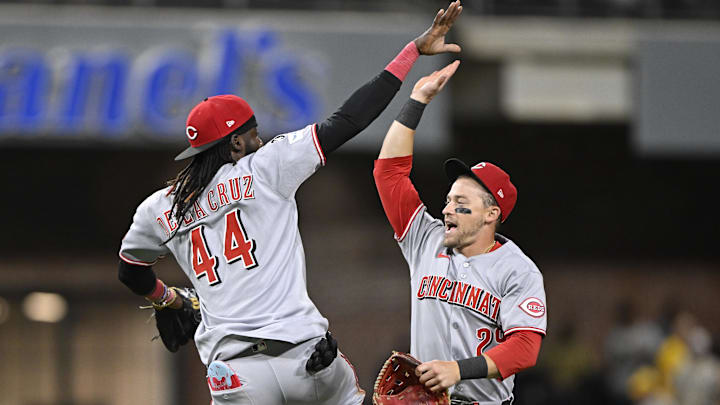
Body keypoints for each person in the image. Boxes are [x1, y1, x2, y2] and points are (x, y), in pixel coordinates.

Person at [116, 2, 464, 404]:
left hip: (233, 374)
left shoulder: (161, 208)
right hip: (306, 357)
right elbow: (349, 120)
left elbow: (131, 271)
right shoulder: (266, 168)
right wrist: (412, 53)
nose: (258, 141)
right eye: (253, 134)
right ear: (234, 142)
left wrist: (167, 298)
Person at [373, 60, 547, 405]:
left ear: (491, 214)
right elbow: (388, 174)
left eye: (461, 203)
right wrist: (417, 101)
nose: (447, 209)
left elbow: (525, 349)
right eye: (449, 200)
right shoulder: (425, 239)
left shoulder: (517, 269)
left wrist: (459, 369)